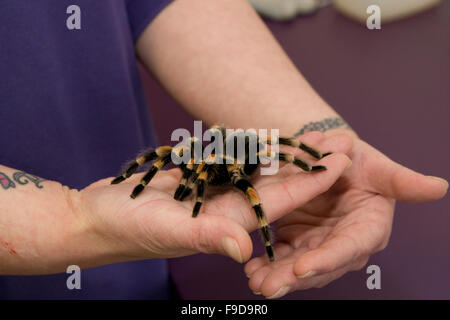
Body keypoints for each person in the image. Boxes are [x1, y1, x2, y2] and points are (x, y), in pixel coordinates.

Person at [0, 0, 447, 300]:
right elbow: (181, 167)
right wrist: (74, 215)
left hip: (139, 278)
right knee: (170, 156)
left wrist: (324, 148)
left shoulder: (238, 156)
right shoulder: (197, 162)